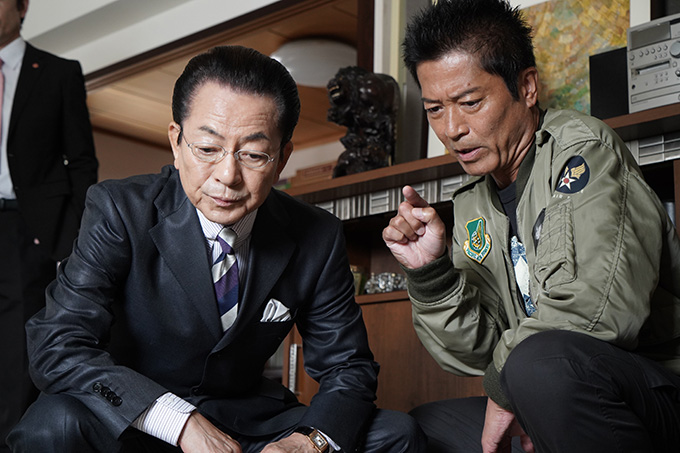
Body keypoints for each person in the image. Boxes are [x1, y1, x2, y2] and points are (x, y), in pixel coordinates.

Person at [7, 45, 425, 453]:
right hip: (136, 418)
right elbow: (58, 342)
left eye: (254, 154)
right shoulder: (119, 209)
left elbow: (347, 367)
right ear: (176, 142)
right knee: (53, 424)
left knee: (396, 433)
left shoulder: (317, 234)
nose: (227, 175)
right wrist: (178, 421)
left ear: (282, 158)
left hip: (247, 422)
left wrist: (307, 443)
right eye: (207, 149)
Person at [382, 0, 680, 452]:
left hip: (653, 386)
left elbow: (596, 312)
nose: (452, 129)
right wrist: (431, 274)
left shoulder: (585, 154)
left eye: (470, 102)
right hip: (547, 385)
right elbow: (479, 351)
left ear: (526, 87)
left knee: (539, 366)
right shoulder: (473, 202)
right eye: (435, 109)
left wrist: (509, 389)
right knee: (426, 427)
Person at [0, 0, 98, 449]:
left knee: (17, 350)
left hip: (28, 229)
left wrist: (72, 238)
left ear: (22, 6)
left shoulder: (58, 72)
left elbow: (82, 162)